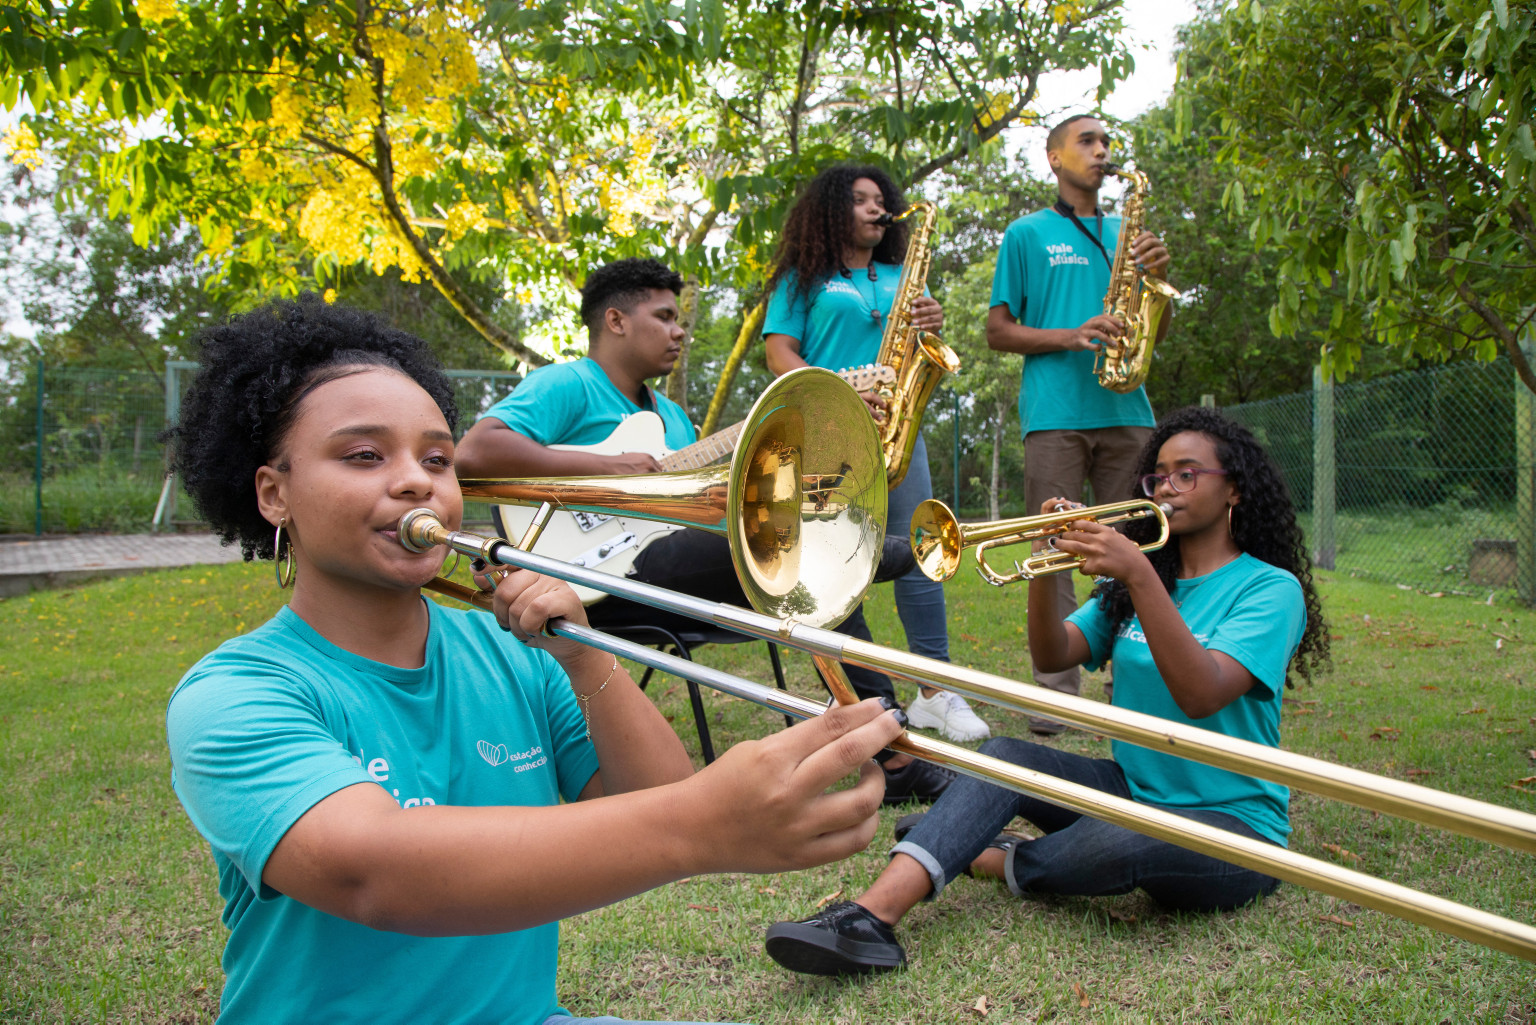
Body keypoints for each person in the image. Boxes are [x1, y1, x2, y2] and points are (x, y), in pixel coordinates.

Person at [163, 294, 910, 1023]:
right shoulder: (234, 693)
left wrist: (582, 659)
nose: (416, 479)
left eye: (437, 458)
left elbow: (654, 789)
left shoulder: (512, 653)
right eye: (364, 455)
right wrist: (700, 822)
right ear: (273, 492)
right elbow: (375, 872)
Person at [763, 407, 1331, 976]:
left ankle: (987, 853)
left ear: (1233, 487)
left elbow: (1202, 693)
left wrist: (1135, 573)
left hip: (1234, 827)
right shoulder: (1142, 578)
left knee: (1117, 841)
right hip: (1133, 789)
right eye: (1158, 475)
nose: (1167, 488)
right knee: (1005, 757)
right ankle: (868, 918)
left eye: (1187, 474)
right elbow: (1053, 654)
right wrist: (1046, 563)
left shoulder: (1269, 589)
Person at [455, 258, 955, 804]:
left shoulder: (670, 416)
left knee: (805, 561)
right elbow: (475, 452)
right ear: (616, 320)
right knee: (806, 559)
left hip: (660, 569)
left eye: (680, 320)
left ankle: (884, 744)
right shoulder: (568, 382)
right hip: (587, 582)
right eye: (665, 316)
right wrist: (604, 468)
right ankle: (891, 752)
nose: (678, 331)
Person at [763, 164, 991, 745]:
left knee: (921, 549)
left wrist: (931, 324)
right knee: (832, 559)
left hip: (898, 427)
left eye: (880, 200)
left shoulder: (902, 277)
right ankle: (861, 694)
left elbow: (927, 351)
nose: (875, 209)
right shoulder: (801, 277)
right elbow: (779, 353)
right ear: (831, 209)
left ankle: (936, 691)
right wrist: (831, 392)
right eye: (860, 200)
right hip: (825, 428)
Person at [985, 114, 1173, 734]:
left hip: (1128, 411)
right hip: (1056, 415)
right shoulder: (1025, 234)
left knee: (1139, 548)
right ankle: (1056, 694)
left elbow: (1152, 333)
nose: (1101, 152)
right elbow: (998, 330)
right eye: (1087, 142)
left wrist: (1158, 285)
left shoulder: (1130, 233)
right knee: (1054, 547)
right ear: (1053, 158)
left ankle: (1134, 680)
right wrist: (1072, 335)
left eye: (1106, 143)